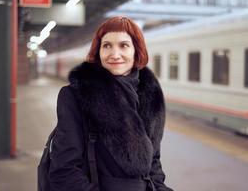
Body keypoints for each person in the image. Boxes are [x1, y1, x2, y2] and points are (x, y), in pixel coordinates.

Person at [48, 16, 173, 191]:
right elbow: (64, 169)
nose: (115, 54)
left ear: (136, 50)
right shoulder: (76, 96)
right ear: (98, 51)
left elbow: (153, 163)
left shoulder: (151, 97)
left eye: (124, 45)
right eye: (107, 45)